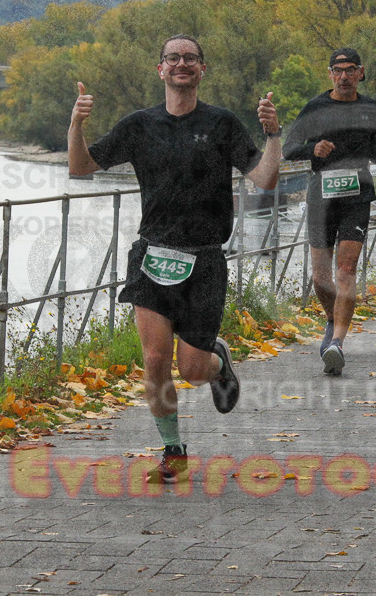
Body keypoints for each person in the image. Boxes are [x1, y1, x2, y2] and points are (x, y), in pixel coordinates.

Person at [68, 34, 282, 482]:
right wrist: (77, 126)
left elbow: (263, 179)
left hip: (204, 260)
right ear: (160, 69)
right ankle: (173, 451)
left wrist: (273, 136)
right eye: (173, 58)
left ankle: (218, 364)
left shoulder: (222, 123)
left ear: (202, 69)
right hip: (152, 256)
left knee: (192, 369)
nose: (181, 64)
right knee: (154, 360)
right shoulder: (138, 125)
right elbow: (81, 168)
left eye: (190, 58)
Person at [282, 47, 376, 375]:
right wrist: (312, 149)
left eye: (350, 70)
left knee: (346, 271)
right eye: (338, 70)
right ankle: (333, 321)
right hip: (322, 194)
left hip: (357, 195)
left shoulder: (369, 107)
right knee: (321, 277)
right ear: (330, 74)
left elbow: (371, 146)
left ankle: (337, 343)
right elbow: (289, 148)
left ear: (361, 73)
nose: (344, 76)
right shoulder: (316, 107)